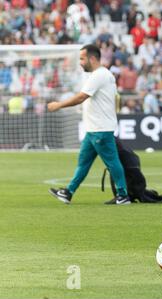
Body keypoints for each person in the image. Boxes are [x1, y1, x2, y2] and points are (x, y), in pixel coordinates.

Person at [47, 44, 130, 205]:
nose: (80, 62)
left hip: (101, 129)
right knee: (83, 164)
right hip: (93, 129)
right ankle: (68, 192)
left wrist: (59, 105)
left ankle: (123, 195)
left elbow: (81, 97)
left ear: (92, 58)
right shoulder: (102, 75)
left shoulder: (99, 75)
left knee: (112, 162)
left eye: (82, 58)